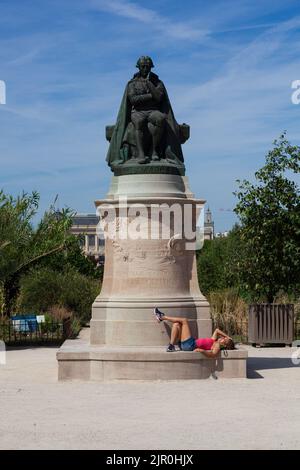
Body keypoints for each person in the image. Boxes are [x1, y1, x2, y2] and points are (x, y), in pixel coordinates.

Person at [153, 307, 235, 356]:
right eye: (224, 337)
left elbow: (212, 354)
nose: (223, 338)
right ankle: (171, 346)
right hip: (188, 344)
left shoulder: (216, 345)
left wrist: (202, 351)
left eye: (224, 339)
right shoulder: (214, 341)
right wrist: (228, 336)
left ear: (225, 344)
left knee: (184, 320)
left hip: (190, 345)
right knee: (176, 324)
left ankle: (162, 317)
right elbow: (217, 330)